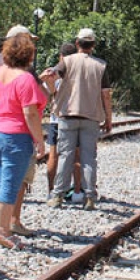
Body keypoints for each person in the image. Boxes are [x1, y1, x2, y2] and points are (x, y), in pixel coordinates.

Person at [42, 28, 112, 210]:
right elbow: (106, 95)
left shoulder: (67, 61)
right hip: (91, 116)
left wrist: (53, 93)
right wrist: (108, 118)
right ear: (93, 45)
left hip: (67, 115)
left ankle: (57, 195)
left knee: (65, 155)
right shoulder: (101, 65)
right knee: (89, 158)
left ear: (77, 43)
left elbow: (51, 76)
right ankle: (89, 197)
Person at [0, 33, 47, 249]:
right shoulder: (24, 79)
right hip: (16, 137)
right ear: (27, 55)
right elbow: (30, 114)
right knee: (10, 184)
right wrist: (40, 140)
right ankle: (3, 230)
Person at [45, 43, 83, 203]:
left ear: (60, 56)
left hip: (55, 119)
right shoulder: (77, 71)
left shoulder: (53, 71)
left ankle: (51, 190)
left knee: (53, 155)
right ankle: (76, 192)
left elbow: (48, 96)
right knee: (76, 155)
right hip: (73, 116)